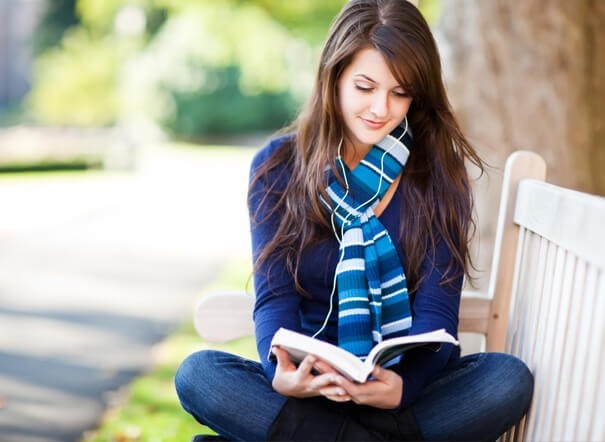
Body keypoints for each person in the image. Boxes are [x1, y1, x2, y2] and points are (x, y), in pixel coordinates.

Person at [175, 0, 534, 440]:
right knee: (199, 374)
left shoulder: (440, 172)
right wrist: (280, 374)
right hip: (309, 395)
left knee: (506, 379)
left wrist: (403, 387)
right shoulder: (277, 167)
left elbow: (437, 315)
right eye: (365, 86)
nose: (381, 109)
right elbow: (274, 298)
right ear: (335, 77)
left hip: (402, 400)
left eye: (400, 93)